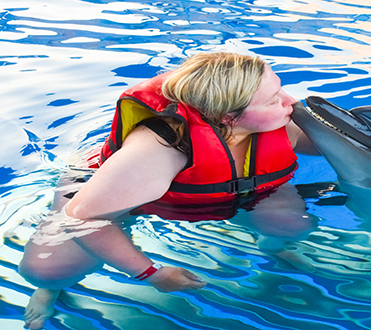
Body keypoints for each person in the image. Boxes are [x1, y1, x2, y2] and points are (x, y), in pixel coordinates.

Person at [18, 52, 318, 329]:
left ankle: (274, 246)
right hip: (114, 192)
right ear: (229, 118)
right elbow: (82, 218)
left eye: (280, 89)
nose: (289, 101)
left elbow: (338, 145)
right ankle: (49, 290)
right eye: (272, 99)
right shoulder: (161, 150)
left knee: (290, 225)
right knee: (48, 269)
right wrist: (152, 274)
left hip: (223, 194)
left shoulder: (277, 123)